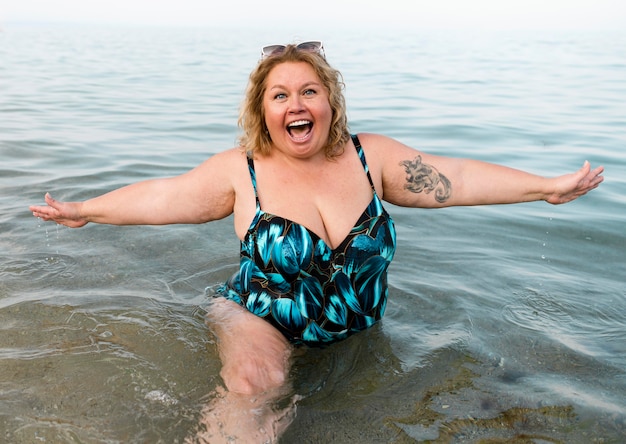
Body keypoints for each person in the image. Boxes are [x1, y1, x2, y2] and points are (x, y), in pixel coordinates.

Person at [30, 41, 604, 442]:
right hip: (257, 315)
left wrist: (544, 188)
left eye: (309, 91)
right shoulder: (242, 171)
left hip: (354, 329)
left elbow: (457, 179)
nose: (296, 105)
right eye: (280, 95)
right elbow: (163, 198)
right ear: (263, 109)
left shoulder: (369, 157)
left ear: (330, 101)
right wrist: (86, 210)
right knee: (260, 382)